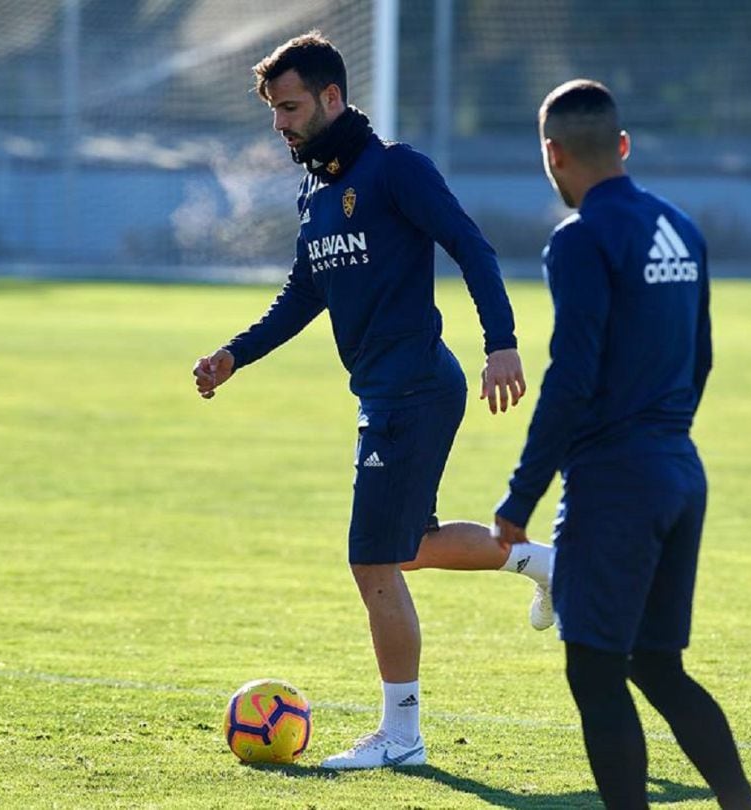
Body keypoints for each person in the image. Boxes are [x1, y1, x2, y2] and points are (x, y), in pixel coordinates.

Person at [192, 31, 555, 770]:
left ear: (332, 97)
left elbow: (469, 245)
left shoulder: (395, 171)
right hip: (386, 391)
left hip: (415, 387)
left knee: (371, 562)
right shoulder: (315, 189)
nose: (279, 123)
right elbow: (304, 294)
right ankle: (547, 563)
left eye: (290, 106)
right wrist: (236, 354)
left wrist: (503, 343)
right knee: (408, 548)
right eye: (272, 110)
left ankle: (402, 735)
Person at [492, 79, 751, 809]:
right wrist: (664, 440)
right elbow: (701, 356)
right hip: (678, 468)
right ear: (622, 145)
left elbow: (572, 376)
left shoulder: (579, 239)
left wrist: (521, 495)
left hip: (617, 483)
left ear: (552, 154)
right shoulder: (681, 226)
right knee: (656, 665)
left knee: (596, 672)